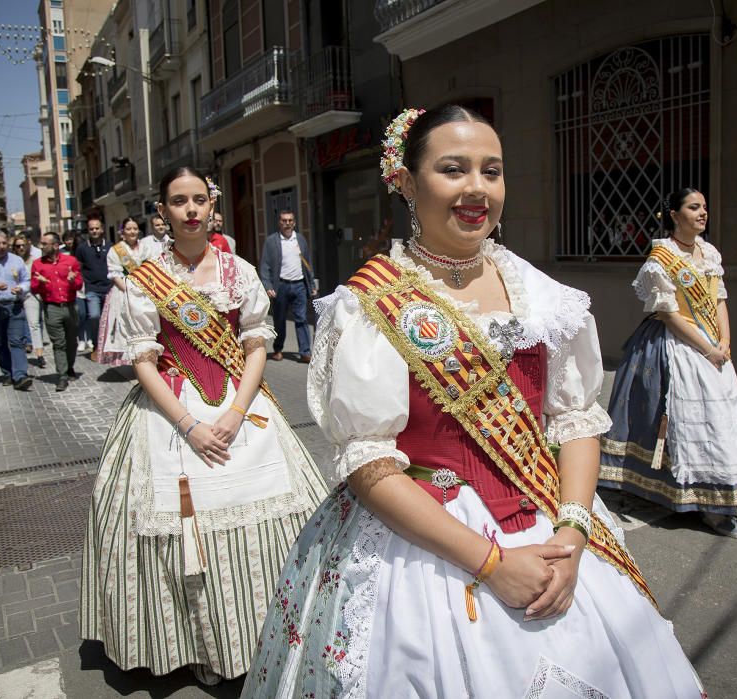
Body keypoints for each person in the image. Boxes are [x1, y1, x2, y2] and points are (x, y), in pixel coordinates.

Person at [241, 106, 703, 697]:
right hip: (424, 544)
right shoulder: (369, 306)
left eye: (492, 171)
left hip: (548, 522)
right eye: (453, 169)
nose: (476, 189)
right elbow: (370, 463)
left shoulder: (543, 296)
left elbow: (574, 419)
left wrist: (574, 535)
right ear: (407, 182)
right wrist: (492, 565)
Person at [79, 166, 328, 685]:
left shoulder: (238, 270)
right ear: (163, 212)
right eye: (178, 201)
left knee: (275, 519)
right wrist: (190, 425)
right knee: (177, 536)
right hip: (172, 410)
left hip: (240, 404)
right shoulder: (145, 278)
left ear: (211, 207)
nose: (190, 209)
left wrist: (237, 412)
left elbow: (256, 343)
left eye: (198, 200)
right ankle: (199, 644)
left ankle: (273, 634)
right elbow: (143, 360)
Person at [599, 188, 737, 539]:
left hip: (712, 345)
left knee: (723, 418)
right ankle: (701, 502)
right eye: (693, 207)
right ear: (674, 214)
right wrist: (708, 349)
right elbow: (669, 315)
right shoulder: (660, 259)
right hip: (677, 346)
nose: (702, 213)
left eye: (704, 207)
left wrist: (725, 342)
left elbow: (718, 300)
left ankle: (720, 498)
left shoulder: (709, 253)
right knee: (686, 420)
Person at [95, 217, 156, 365]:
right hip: (123, 292)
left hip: (144, 291)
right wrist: (130, 291)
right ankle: (131, 360)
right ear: (122, 232)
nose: (132, 232)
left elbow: (151, 268)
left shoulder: (145, 247)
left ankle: (148, 356)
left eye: (135, 228)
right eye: (129, 229)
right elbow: (115, 275)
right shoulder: (116, 250)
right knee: (125, 325)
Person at [258, 209, 316, 363]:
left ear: (294, 222)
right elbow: (265, 265)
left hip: (299, 285)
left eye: (290, 221)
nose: (287, 223)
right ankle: (278, 349)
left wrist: (311, 284)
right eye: (284, 221)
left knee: (302, 319)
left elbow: (307, 263)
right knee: (279, 320)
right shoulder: (271, 241)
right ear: (279, 223)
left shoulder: (300, 239)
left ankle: (305, 352)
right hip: (281, 286)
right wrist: (268, 285)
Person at [31, 233, 82, 391]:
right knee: (59, 343)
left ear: (54, 245)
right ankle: (62, 375)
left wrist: (73, 281)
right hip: (51, 307)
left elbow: (79, 285)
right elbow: (33, 288)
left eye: (45, 243)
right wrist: (39, 284)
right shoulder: (37, 264)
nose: (41, 246)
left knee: (71, 341)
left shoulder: (71, 261)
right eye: (41, 243)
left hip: (70, 306)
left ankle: (69, 366)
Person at [0, 233, 33, 390]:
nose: (1, 246)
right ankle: (7, 373)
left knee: (17, 341)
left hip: (14, 304)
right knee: (0, 342)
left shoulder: (16, 260)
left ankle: (20, 376)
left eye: (4, 243)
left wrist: (22, 288)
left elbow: (26, 280)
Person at [74, 215, 111, 361]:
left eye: (97, 228)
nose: (94, 231)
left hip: (109, 288)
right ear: (88, 231)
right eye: (91, 229)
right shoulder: (82, 248)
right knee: (94, 316)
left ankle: (107, 348)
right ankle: (96, 345)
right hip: (92, 289)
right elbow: (78, 267)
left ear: (102, 229)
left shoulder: (109, 245)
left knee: (108, 319)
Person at [12, 235, 47, 369]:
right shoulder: (11, 261)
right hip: (14, 297)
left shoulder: (35, 261)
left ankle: (39, 354)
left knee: (34, 325)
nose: (21, 248)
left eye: (23, 245)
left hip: (30, 295)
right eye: (18, 246)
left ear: (28, 246)